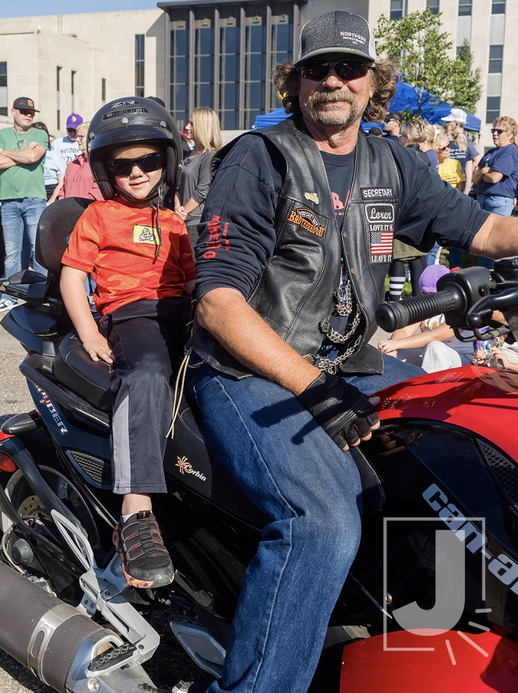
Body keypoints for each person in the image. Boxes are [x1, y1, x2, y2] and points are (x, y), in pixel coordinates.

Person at [182, 10, 517, 693]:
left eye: (349, 68)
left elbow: (483, 229)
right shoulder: (260, 157)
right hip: (252, 371)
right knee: (323, 522)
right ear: (295, 81)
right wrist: (313, 385)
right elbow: (218, 301)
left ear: (373, 84)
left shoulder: (391, 161)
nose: (333, 80)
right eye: (318, 68)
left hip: (349, 362)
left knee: (471, 425)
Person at [60, 97, 195, 588]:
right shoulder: (98, 216)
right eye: (124, 165)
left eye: (149, 161)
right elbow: (73, 277)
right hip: (132, 313)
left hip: (183, 310)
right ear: (105, 170)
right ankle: (136, 511)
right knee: (148, 374)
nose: (138, 173)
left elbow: (194, 280)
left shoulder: (176, 222)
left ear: (168, 162)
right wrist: (90, 331)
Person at [378, 265, 474, 372]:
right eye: (425, 294)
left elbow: (436, 336)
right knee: (391, 345)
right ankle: (390, 384)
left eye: (433, 294)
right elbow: (404, 330)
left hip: (463, 363)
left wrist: (397, 343)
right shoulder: (426, 306)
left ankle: (426, 388)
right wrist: (393, 346)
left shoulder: (462, 309)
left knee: (434, 347)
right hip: (430, 356)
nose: (429, 299)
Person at [0, 96, 47, 311]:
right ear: (13, 112)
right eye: (23, 111)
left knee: (38, 249)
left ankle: (40, 293)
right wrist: (24, 153)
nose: (28, 115)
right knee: (12, 251)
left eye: (31, 112)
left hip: (34, 198)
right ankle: (11, 295)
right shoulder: (2, 134)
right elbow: (27, 156)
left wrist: (7, 154)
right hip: (8, 199)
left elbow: (32, 158)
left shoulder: (39, 133)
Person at [473, 116, 518, 270]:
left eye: (499, 131)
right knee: (482, 243)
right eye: (493, 130)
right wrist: (485, 171)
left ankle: (498, 281)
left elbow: (494, 178)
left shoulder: (509, 151)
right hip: (483, 199)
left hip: (498, 201)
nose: (495, 134)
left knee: (497, 244)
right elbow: (474, 178)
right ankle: (485, 278)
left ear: (511, 134)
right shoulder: (491, 152)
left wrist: (483, 172)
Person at [174, 107, 221, 246]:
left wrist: (183, 212)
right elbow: (177, 184)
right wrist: (178, 209)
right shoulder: (187, 154)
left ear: (203, 127)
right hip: (181, 219)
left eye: (192, 124)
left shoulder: (209, 155)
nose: (187, 127)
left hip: (196, 223)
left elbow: (203, 190)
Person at [57, 122, 103, 201]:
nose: (77, 140)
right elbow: (62, 188)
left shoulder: (99, 163)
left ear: (91, 138)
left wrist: (79, 206)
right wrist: (62, 205)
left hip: (87, 210)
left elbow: (99, 190)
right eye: (77, 136)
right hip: (67, 211)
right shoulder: (72, 164)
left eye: (81, 137)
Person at [32, 122, 66, 205]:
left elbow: (61, 182)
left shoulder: (54, 154)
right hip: (31, 191)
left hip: (50, 190)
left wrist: (50, 201)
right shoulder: (24, 153)